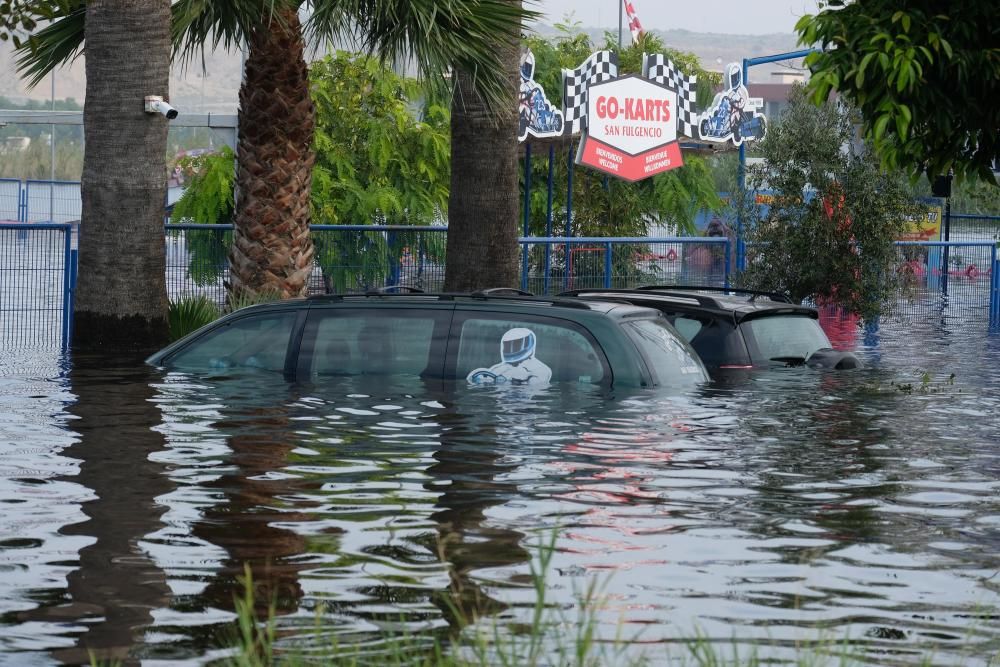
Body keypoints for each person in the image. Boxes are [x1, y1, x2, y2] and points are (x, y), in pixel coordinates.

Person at [467, 328, 552, 385]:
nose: (512, 349)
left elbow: (535, 386)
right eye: (508, 346)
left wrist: (512, 380)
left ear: (528, 344)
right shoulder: (500, 368)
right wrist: (480, 377)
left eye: (516, 345)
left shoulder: (540, 369)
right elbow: (478, 379)